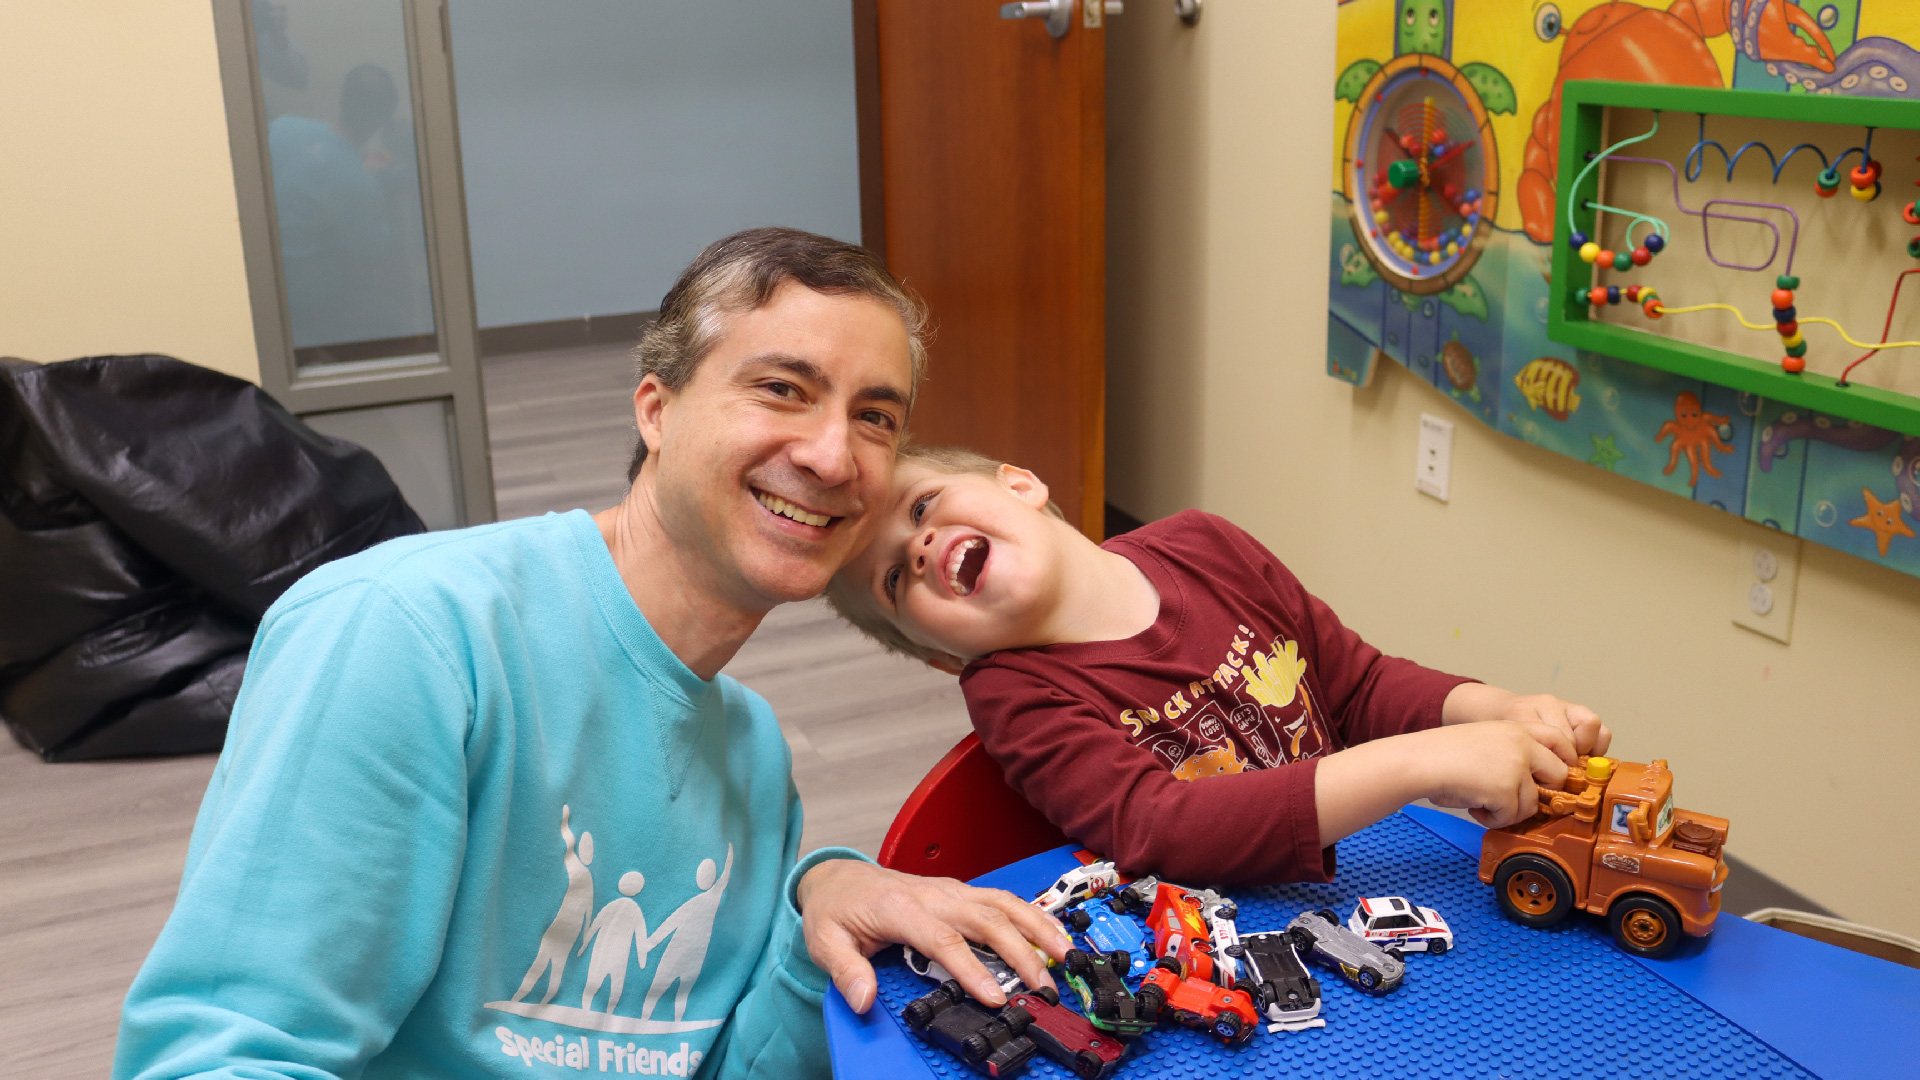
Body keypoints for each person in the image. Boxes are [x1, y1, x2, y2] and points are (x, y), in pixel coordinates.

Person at [113, 230, 1070, 1080]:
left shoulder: (752, 751)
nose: (832, 454)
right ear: (656, 410)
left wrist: (816, 912)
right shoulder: (406, 635)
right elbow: (222, 1052)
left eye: (875, 417)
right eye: (783, 389)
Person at [827, 445, 1611, 885]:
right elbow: (1158, 828)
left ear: (1021, 483)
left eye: (922, 507)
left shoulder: (1207, 544)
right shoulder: (1014, 691)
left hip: (1363, 890)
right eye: (894, 580)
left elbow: (1359, 683)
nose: (920, 546)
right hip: (1230, 956)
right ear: (940, 655)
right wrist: (1417, 763)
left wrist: (1491, 711)